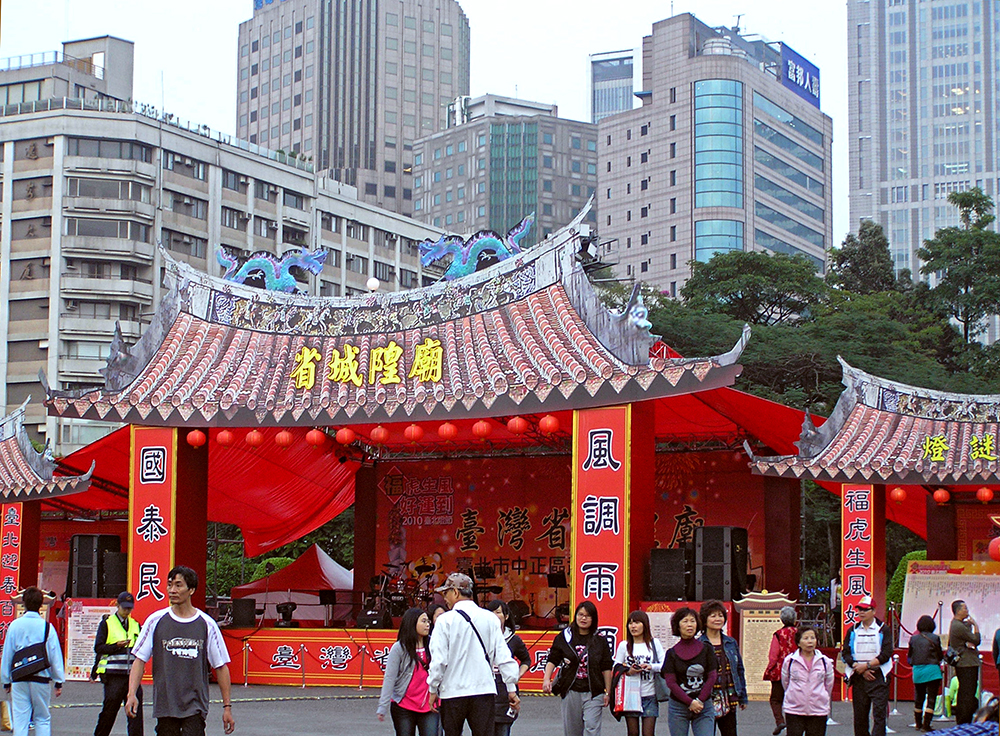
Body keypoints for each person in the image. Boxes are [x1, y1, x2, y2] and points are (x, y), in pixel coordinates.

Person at [126, 566, 235, 735]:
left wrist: (227, 707)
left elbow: (220, 666)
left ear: (191, 590)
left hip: (195, 705)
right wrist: (131, 694)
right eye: (169, 585)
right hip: (165, 705)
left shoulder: (206, 624)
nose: (172, 590)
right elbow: (139, 660)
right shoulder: (155, 621)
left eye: (178, 585)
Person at [426, 573, 520, 736]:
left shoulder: (445, 620)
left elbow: (439, 660)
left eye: (446, 593)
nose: (445, 598)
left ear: (455, 592)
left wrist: (433, 688)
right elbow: (504, 656)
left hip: (452, 691)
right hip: (483, 690)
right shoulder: (490, 619)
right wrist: (511, 688)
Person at [542, 601, 614, 736]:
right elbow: (553, 659)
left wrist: (608, 693)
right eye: (580, 615)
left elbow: (606, 667)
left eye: (587, 616)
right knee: (572, 731)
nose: (583, 618)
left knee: (592, 729)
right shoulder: (565, 637)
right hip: (571, 690)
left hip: (594, 692)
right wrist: (547, 679)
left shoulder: (600, 640)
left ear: (593, 618)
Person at [0, 586, 64, 736]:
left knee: (20, 719)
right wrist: (58, 681)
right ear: (41, 604)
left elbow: (8, 654)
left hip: (19, 678)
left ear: (23, 603)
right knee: (42, 718)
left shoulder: (15, 626)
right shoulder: (47, 627)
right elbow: (54, 655)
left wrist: (6, 680)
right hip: (41, 678)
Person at [377, 608, 439, 736]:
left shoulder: (434, 644)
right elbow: (390, 677)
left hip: (430, 705)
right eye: (423, 621)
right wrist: (383, 706)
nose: (428, 624)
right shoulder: (399, 648)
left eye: (428, 621)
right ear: (412, 623)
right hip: (403, 705)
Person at [841, 595, 893, 736]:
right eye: (859, 609)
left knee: (879, 715)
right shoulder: (853, 630)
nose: (861, 612)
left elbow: (886, 653)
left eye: (865, 609)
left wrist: (867, 666)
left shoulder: (883, 629)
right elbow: (846, 653)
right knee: (860, 716)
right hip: (858, 676)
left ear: (873, 611)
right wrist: (859, 668)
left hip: (878, 676)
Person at [662, 607, 717, 736]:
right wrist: (690, 702)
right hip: (678, 707)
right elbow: (671, 682)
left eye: (692, 621)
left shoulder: (707, 649)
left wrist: (700, 701)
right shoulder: (671, 653)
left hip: (703, 705)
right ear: (678, 626)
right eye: (685, 621)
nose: (689, 625)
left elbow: (712, 676)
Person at [94, 592, 143, 736]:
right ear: (117, 605)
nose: (127, 611)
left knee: (135, 714)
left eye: (129, 608)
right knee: (109, 712)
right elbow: (98, 647)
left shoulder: (135, 625)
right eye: (124, 608)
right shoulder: (107, 624)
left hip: (131, 676)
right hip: (113, 676)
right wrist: (116, 646)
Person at [698, 601, 747, 736]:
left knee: (730, 732)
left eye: (720, 615)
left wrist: (742, 696)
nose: (717, 619)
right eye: (713, 616)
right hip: (707, 698)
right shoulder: (699, 644)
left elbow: (739, 670)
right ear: (705, 619)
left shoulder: (730, 642)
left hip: (729, 696)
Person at [613, 610, 665, 736]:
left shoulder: (654, 643)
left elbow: (664, 665)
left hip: (650, 694)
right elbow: (616, 666)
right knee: (633, 732)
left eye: (637, 623)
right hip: (631, 695)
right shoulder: (624, 645)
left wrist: (651, 666)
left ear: (645, 625)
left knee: (648, 733)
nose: (633, 626)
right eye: (630, 623)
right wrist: (628, 671)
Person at [485, 600, 530, 736]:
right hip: (485, 688)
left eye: (498, 612)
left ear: (506, 616)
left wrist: (516, 675)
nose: (494, 615)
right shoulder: (481, 638)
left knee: (503, 729)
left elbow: (526, 660)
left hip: (505, 690)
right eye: (491, 612)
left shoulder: (513, 640)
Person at [781, 626, 835, 736]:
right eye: (805, 638)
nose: (810, 641)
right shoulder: (790, 661)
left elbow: (828, 684)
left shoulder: (824, 661)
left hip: (818, 710)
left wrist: (822, 696)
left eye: (812, 638)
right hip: (794, 709)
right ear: (798, 642)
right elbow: (785, 682)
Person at [763, 606, 798, 735]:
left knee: (776, 699)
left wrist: (769, 669)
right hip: (797, 670)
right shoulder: (800, 633)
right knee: (794, 698)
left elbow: (774, 655)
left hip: (780, 671)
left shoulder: (778, 634)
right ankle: (793, 723)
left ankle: (780, 721)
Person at [909, 614, 943, 731]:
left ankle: (918, 723)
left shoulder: (913, 639)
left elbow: (910, 656)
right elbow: (939, 655)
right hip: (932, 670)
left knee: (919, 697)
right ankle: (926, 725)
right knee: (931, 698)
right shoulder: (935, 638)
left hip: (918, 670)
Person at [950, 600, 982, 725]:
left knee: (965, 691)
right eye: (965, 608)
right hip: (966, 663)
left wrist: (968, 626)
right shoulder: (958, 626)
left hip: (965, 662)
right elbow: (975, 640)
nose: (967, 611)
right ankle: (964, 719)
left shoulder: (958, 624)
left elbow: (967, 638)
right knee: (967, 692)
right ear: (958, 611)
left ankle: (963, 718)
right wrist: (975, 626)